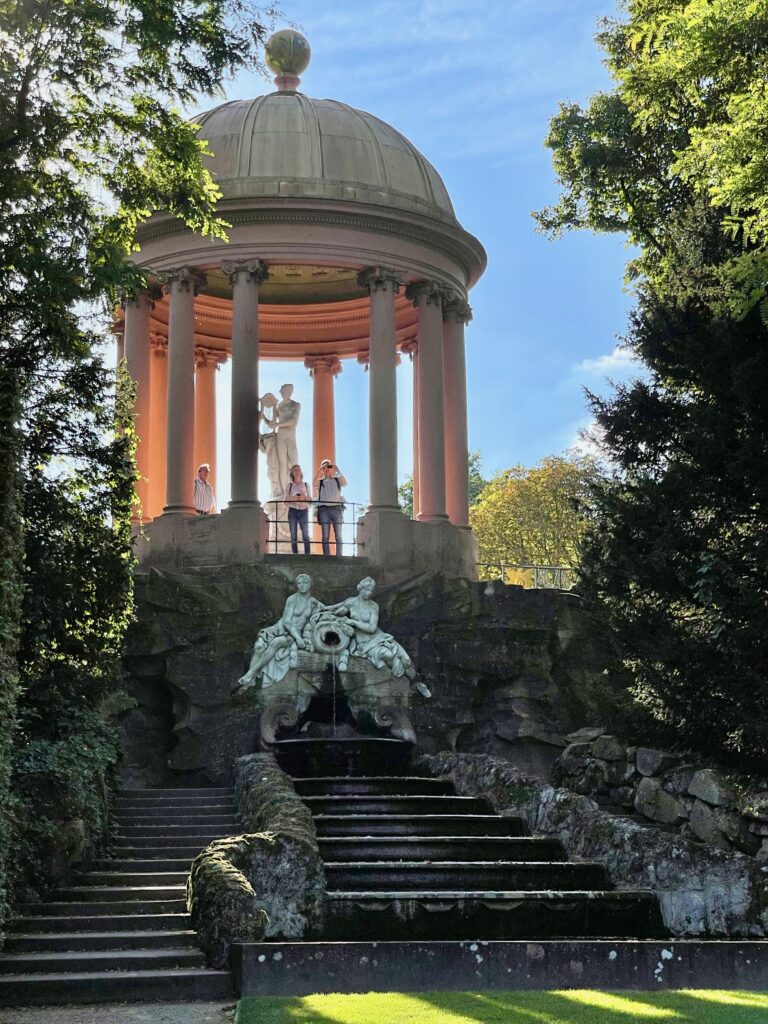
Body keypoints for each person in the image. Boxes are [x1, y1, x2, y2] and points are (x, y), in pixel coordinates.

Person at [234, 573, 323, 693]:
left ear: (310, 585)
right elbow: (286, 621)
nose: (302, 585)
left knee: (276, 642)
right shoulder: (292, 599)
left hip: (294, 632)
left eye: (305, 582)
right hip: (282, 628)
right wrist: (298, 639)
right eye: (300, 583)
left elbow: (328, 609)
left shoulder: (313, 602)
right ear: (296, 585)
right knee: (259, 646)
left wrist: (347, 604)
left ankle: (249, 675)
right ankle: (251, 681)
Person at [315, 458, 347, 556]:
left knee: (338, 535)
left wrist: (337, 470)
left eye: (328, 466)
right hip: (324, 510)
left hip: (337, 509)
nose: (327, 468)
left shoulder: (337, 480)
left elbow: (345, 483)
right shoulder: (320, 482)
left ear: (331, 468)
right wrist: (319, 471)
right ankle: (326, 557)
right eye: (324, 467)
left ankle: (339, 556)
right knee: (325, 536)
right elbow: (313, 484)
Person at [284, 464, 311, 555]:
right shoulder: (289, 486)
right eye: (295, 470)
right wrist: (294, 498)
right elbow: (285, 501)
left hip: (304, 511)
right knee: (293, 535)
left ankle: (308, 556)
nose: (297, 471)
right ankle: (295, 556)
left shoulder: (306, 485)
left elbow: (310, 502)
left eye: (298, 469)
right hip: (292, 511)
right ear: (292, 473)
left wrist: (304, 497)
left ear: (301, 472)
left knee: (306, 535)